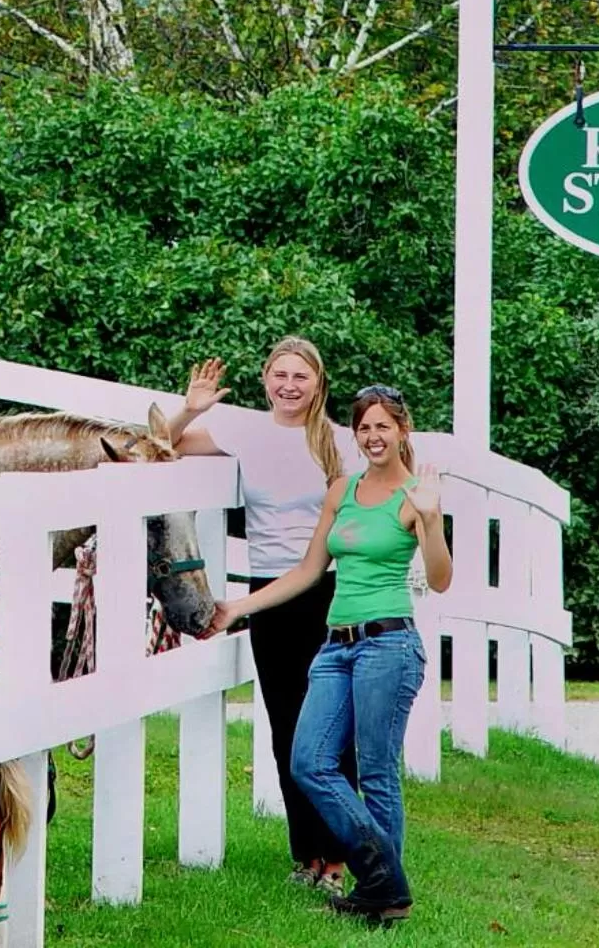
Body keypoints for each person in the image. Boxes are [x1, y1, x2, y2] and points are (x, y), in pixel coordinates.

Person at [208, 386, 451, 924]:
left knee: (377, 772)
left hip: (389, 645)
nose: (373, 437)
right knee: (308, 761)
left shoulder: (416, 496)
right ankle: (387, 880)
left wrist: (432, 521)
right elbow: (306, 570)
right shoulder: (341, 490)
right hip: (335, 645)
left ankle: (382, 894)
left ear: (402, 430)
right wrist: (237, 607)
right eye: (365, 428)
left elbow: (440, 578)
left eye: (384, 426)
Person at [163, 338, 360, 893]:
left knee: (332, 729)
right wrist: (191, 408)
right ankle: (306, 857)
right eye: (280, 374)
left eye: (301, 376)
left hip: (330, 591)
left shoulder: (339, 444)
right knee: (286, 728)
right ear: (265, 378)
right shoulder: (245, 432)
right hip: (269, 592)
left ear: (318, 383)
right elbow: (160, 446)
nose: (289, 385)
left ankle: (339, 860)